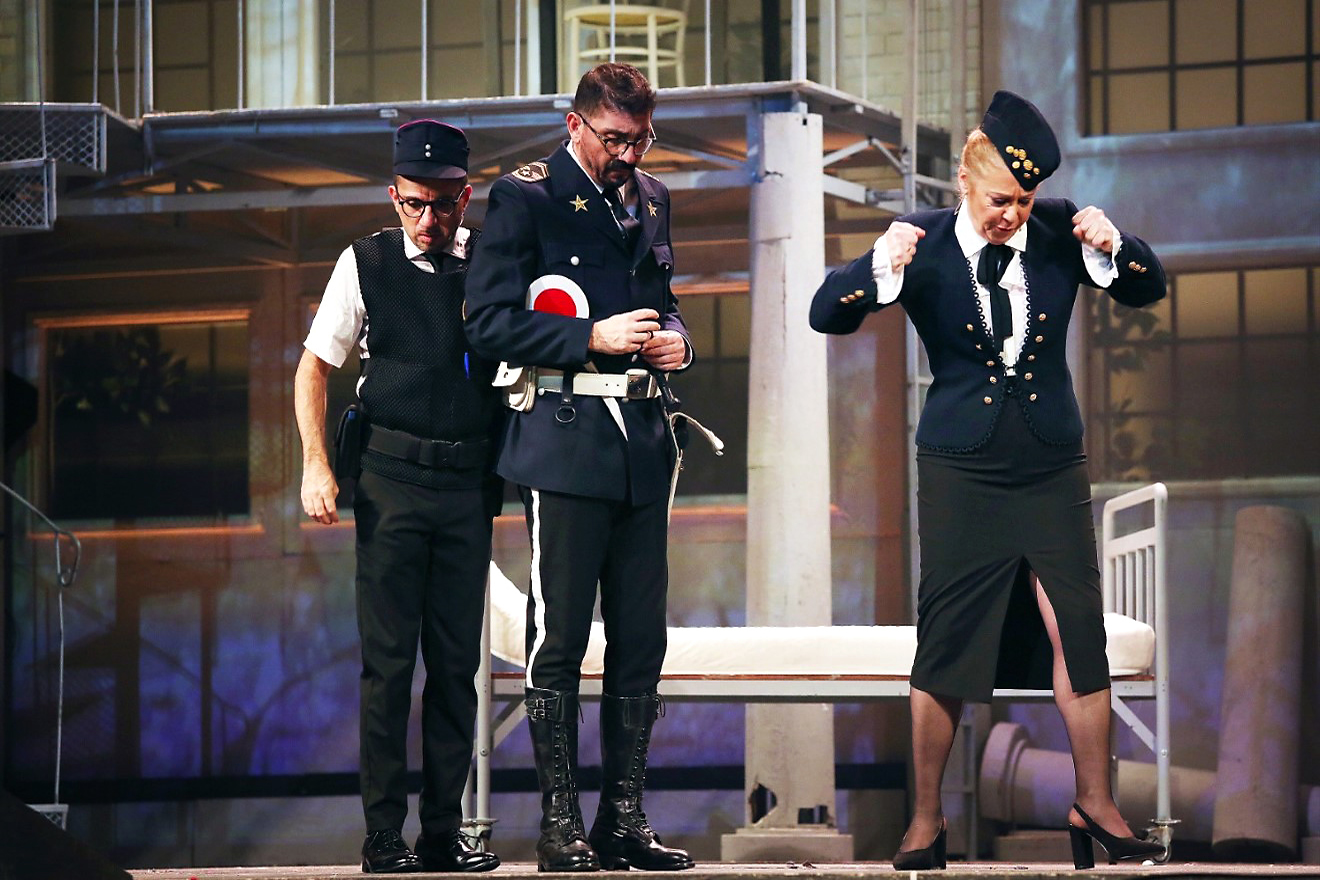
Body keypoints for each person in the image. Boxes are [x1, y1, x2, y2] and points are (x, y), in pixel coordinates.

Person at [810, 91, 1168, 871]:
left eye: (1026, 199)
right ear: (967, 183)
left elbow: (1148, 286)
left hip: (1048, 460)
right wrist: (876, 266)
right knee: (945, 640)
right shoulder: (926, 241)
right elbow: (824, 314)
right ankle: (927, 820)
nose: (1014, 213)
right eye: (1002, 198)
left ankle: (1094, 798)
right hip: (961, 465)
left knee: (1077, 623)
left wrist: (1117, 243)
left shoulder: (1058, 228)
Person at [464, 63, 695, 873]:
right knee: (558, 637)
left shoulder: (653, 197)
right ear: (575, 124)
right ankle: (559, 823)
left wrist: (678, 341)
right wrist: (587, 337)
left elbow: (663, 296)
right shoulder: (522, 197)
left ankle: (622, 818)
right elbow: (488, 322)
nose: (629, 154)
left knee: (642, 639)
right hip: (562, 438)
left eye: (641, 139)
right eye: (615, 139)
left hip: (641, 438)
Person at [294, 119, 502, 875]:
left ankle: (443, 835)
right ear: (394, 196)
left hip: (469, 483)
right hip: (388, 480)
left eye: (443, 203)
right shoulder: (368, 262)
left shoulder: (488, 261)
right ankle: (384, 837)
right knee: (387, 668)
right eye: (414, 203)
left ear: (464, 195)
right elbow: (313, 367)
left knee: (454, 669)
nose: (428, 218)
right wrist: (318, 466)